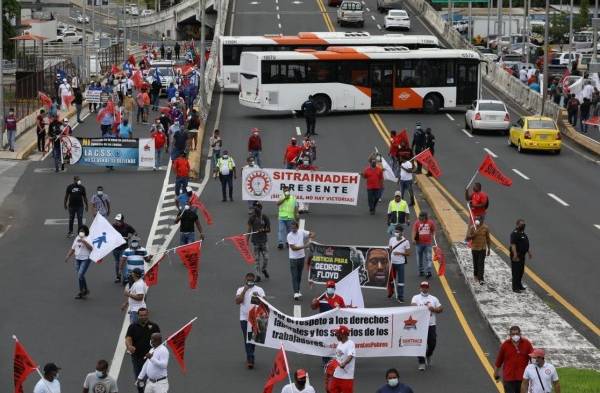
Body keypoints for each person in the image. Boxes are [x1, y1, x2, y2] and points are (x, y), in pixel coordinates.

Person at [125, 308, 160, 393]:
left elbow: (158, 339)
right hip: (137, 357)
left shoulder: (154, 326)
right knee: (139, 379)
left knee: (151, 378)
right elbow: (128, 338)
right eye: (141, 315)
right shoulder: (133, 326)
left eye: (145, 315)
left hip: (151, 357)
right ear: (138, 316)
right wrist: (129, 346)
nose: (143, 317)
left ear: (148, 315)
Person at [235, 272, 266, 369]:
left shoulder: (259, 290)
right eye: (248, 280)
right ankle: (250, 359)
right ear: (245, 280)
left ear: (254, 280)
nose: (250, 282)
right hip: (244, 318)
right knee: (247, 338)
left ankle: (250, 354)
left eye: (251, 280)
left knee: (253, 339)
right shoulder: (240, 289)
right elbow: (237, 301)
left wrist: (260, 300)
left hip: (256, 318)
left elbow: (265, 303)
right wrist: (245, 290)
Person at [411, 281, 443, 371]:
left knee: (432, 343)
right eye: (422, 287)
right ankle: (421, 362)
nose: (424, 289)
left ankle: (428, 355)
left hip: (431, 324)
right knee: (419, 343)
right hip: (419, 325)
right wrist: (420, 308)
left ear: (428, 288)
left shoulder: (433, 299)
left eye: (426, 287)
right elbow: (412, 306)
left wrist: (434, 309)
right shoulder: (416, 297)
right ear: (420, 288)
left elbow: (441, 308)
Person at [494, 326, 534, 393]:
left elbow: (533, 359)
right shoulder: (505, 345)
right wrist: (496, 374)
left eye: (517, 334)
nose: (515, 336)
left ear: (520, 334)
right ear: (510, 335)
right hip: (508, 378)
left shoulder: (527, 344)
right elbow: (499, 361)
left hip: (523, 378)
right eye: (513, 334)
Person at [287, 221, 315, 300]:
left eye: (294, 228)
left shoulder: (301, 232)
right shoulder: (289, 236)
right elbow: (293, 248)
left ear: (297, 227)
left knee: (299, 276)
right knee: (294, 275)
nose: (293, 229)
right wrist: (305, 246)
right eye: (291, 228)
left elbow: (312, 233)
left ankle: (297, 290)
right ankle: (295, 292)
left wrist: (310, 239)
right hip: (293, 258)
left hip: (301, 257)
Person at [65, 224, 93, 299]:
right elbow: (73, 248)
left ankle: (81, 292)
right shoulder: (77, 238)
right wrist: (68, 256)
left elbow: (91, 248)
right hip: (77, 259)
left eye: (83, 231)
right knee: (81, 275)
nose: (81, 232)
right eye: (80, 231)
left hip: (86, 259)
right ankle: (86, 290)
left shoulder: (88, 238)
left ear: (85, 232)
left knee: (80, 275)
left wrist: (84, 241)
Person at [247, 202, 271, 281]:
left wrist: (263, 230)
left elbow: (269, 229)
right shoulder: (252, 218)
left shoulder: (264, 217)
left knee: (266, 258)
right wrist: (246, 241)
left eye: (257, 208)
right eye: (254, 208)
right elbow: (249, 230)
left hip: (264, 241)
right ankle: (258, 275)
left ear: (260, 208)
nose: (255, 210)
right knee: (256, 260)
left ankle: (264, 269)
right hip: (255, 242)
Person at [329, 325, 355, 393]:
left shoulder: (350, 344)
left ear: (343, 334)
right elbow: (338, 356)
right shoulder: (339, 343)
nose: (336, 335)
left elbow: (350, 356)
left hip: (346, 377)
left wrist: (344, 363)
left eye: (337, 334)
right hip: (336, 375)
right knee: (331, 390)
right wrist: (332, 363)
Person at [389, 225, 411, 303]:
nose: (396, 233)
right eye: (395, 231)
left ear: (402, 232)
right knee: (390, 279)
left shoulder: (406, 242)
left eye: (398, 232)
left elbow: (408, 253)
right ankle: (391, 291)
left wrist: (400, 253)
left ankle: (400, 296)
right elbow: (390, 249)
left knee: (401, 281)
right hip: (392, 263)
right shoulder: (391, 239)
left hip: (400, 263)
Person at [466, 215, 491, 285]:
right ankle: (475, 275)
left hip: (482, 248)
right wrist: (473, 235)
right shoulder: (472, 228)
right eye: (477, 219)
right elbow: (468, 238)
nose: (478, 220)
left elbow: (488, 239)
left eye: (479, 219)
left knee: (481, 263)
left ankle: (481, 278)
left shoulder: (486, 228)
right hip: (474, 248)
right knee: (476, 263)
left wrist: (489, 249)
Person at [112, 214, 136, 283]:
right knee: (117, 263)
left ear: (122, 221)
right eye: (116, 220)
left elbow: (135, 233)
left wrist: (130, 237)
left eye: (118, 221)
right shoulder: (113, 226)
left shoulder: (127, 226)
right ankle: (118, 277)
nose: (117, 222)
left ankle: (125, 278)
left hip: (124, 248)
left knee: (123, 262)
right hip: (115, 248)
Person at [510, 219, 531, 293]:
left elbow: (525, 243)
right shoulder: (515, 233)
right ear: (517, 225)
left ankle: (519, 285)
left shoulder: (522, 233)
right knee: (516, 271)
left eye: (524, 224)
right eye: (522, 224)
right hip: (517, 255)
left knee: (521, 271)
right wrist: (515, 254)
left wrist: (528, 252)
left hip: (522, 255)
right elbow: (513, 244)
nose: (523, 226)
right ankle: (515, 287)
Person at [412, 211, 435, 278]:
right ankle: (421, 270)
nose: (421, 220)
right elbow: (414, 231)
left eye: (422, 218)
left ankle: (429, 271)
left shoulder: (431, 222)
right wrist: (413, 239)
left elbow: (433, 230)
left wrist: (433, 237)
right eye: (420, 218)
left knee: (429, 257)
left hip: (428, 244)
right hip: (418, 244)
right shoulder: (417, 222)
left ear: (426, 217)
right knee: (419, 258)